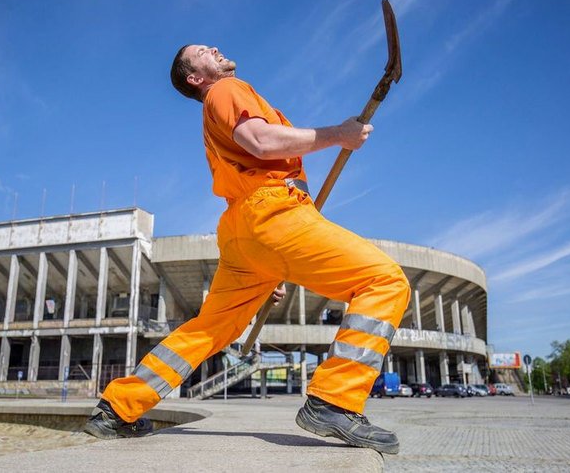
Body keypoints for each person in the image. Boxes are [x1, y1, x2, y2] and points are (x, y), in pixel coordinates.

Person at [84, 44, 411, 454]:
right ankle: (334, 401)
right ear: (195, 78)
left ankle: (117, 408)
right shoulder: (225, 90)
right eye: (204, 51)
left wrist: (267, 265)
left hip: (245, 230)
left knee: (209, 329)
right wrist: (337, 135)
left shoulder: (214, 108)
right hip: (272, 211)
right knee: (384, 281)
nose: (216, 49)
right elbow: (258, 140)